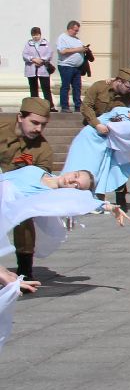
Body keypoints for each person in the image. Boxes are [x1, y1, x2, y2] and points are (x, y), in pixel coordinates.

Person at [1, 98, 54, 279]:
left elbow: (41, 180)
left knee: (24, 217)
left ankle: (25, 269)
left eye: (43, 125)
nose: (38, 129)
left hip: (18, 193)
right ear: (20, 117)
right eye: (34, 123)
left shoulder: (43, 148)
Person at [80, 66, 130, 205]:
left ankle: (120, 196)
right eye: (127, 86)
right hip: (93, 132)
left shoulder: (129, 95)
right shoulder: (99, 87)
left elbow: (127, 112)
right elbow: (86, 106)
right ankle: (90, 198)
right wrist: (97, 124)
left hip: (113, 135)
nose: (129, 90)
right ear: (118, 81)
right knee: (92, 165)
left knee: (116, 165)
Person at [53, 20, 88, 113]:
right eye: (75, 30)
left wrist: (84, 49)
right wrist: (79, 49)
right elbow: (62, 51)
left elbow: (79, 49)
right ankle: (64, 106)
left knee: (77, 86)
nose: (76, 32)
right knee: (65, 86)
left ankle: (78, 105)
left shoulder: (77, 39)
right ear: (70, 28)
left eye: (77, 30)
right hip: (66, 66)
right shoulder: (62, 38)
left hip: (77, 67)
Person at [22, 28, 53, 109]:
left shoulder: (45, 43)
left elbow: (49, 53)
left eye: (37, 35)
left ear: (40, 34)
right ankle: (35, 107)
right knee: (33, 89)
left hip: (43, 69)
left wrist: (41, 60)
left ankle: (50, 106)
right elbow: (24, 55)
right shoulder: (28, 44)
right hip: (31, 69)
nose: (35, 37)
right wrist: (33, 59)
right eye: (34, 35)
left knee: (46, 89)